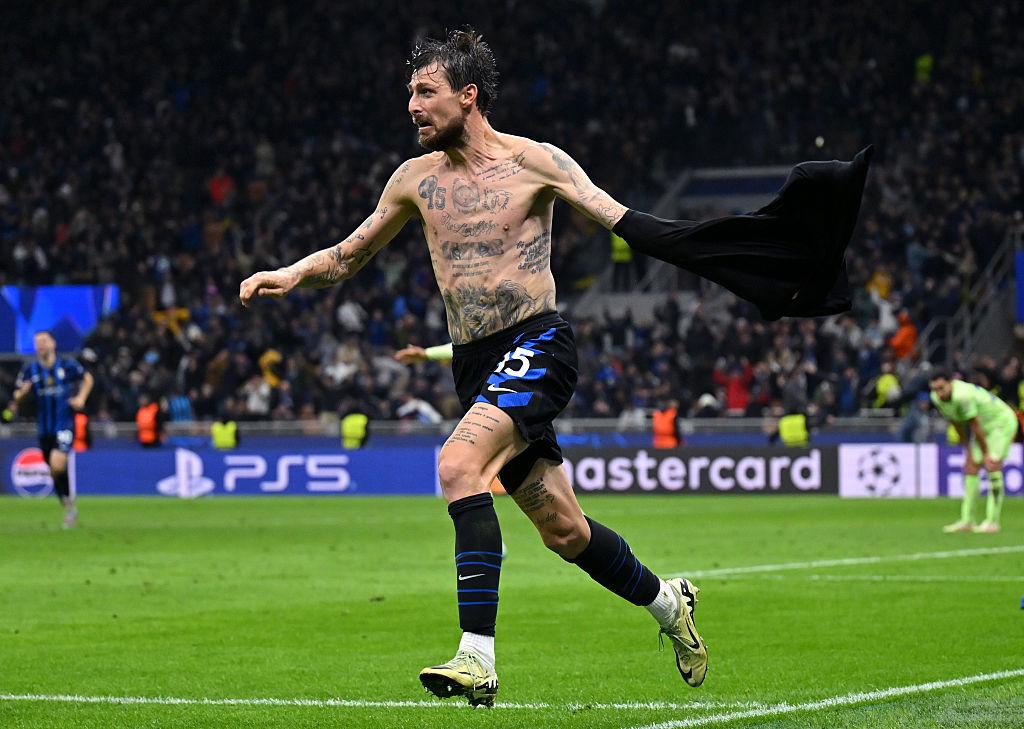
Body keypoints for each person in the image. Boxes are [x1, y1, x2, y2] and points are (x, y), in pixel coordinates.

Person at [240, 28, 867, 706]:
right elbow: (348, 255)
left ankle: (477, 656)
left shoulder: (535, 162)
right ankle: (669, 602)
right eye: (410, 93)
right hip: (476, 366)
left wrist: (747, 254)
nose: (412, 105)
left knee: (458, 465)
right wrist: (291, 273)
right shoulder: (413, 180)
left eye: (426, 91)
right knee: (564, 530)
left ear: (467, 95)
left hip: (538, 344)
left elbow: (624, 221)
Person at [6, 330, 93, 528]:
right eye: (38, 342)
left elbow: (88, 378)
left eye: (44, 341)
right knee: (54, 470)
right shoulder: (30, 370)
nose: (41, 345)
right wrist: (22, 394)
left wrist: (81, 398)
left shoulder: (67, 365)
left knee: (57, 463)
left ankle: (69, 505)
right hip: (44, 429)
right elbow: (17, 396)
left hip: (64, 424)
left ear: (53, 343)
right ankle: (68, 505)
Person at [929, 370, 1019, 534]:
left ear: (951, 383)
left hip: (1001, 423)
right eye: (935, 389)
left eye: (941, 388)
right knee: (970, 467)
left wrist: (986, 453)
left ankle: (992, 522)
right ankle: (967, 521)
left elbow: (974, 424)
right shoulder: (936, 398)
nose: (939, 393)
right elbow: (955, 421)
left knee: (992, 465)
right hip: (984, 428)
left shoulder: (962, 396)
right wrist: (966, 447)